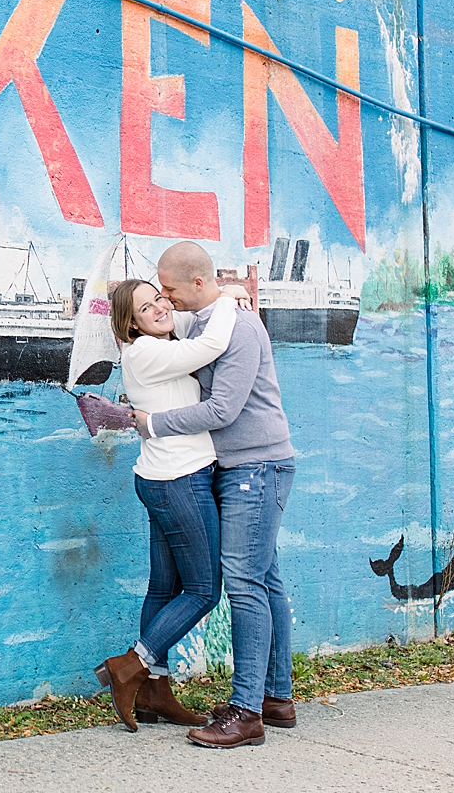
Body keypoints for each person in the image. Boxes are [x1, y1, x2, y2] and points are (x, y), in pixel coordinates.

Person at [133, 241, 297, 750]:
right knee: (265, 579)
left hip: (258, 466)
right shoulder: (202, 322)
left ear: (199, 285)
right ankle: (276, 697)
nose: (166, 298)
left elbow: (223, 409)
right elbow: (158, 345)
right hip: (233, 468)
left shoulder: (240, 328)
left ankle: (246, 713)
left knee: (244, 583)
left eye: (171, 289)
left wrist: (151, 423)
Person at [92, 278, 235, 732]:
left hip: (161, 479)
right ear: (129, 323)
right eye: (145, 307)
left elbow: (187, 318)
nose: (158, 308)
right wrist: (227, 298)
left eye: (160, 298)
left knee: (162, 589)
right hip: (180, 483)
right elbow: (211, 343)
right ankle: (132, 665)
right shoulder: (147, 353)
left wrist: (203, 300)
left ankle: (155, 692)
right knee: (203, 590)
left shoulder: (156, 344)